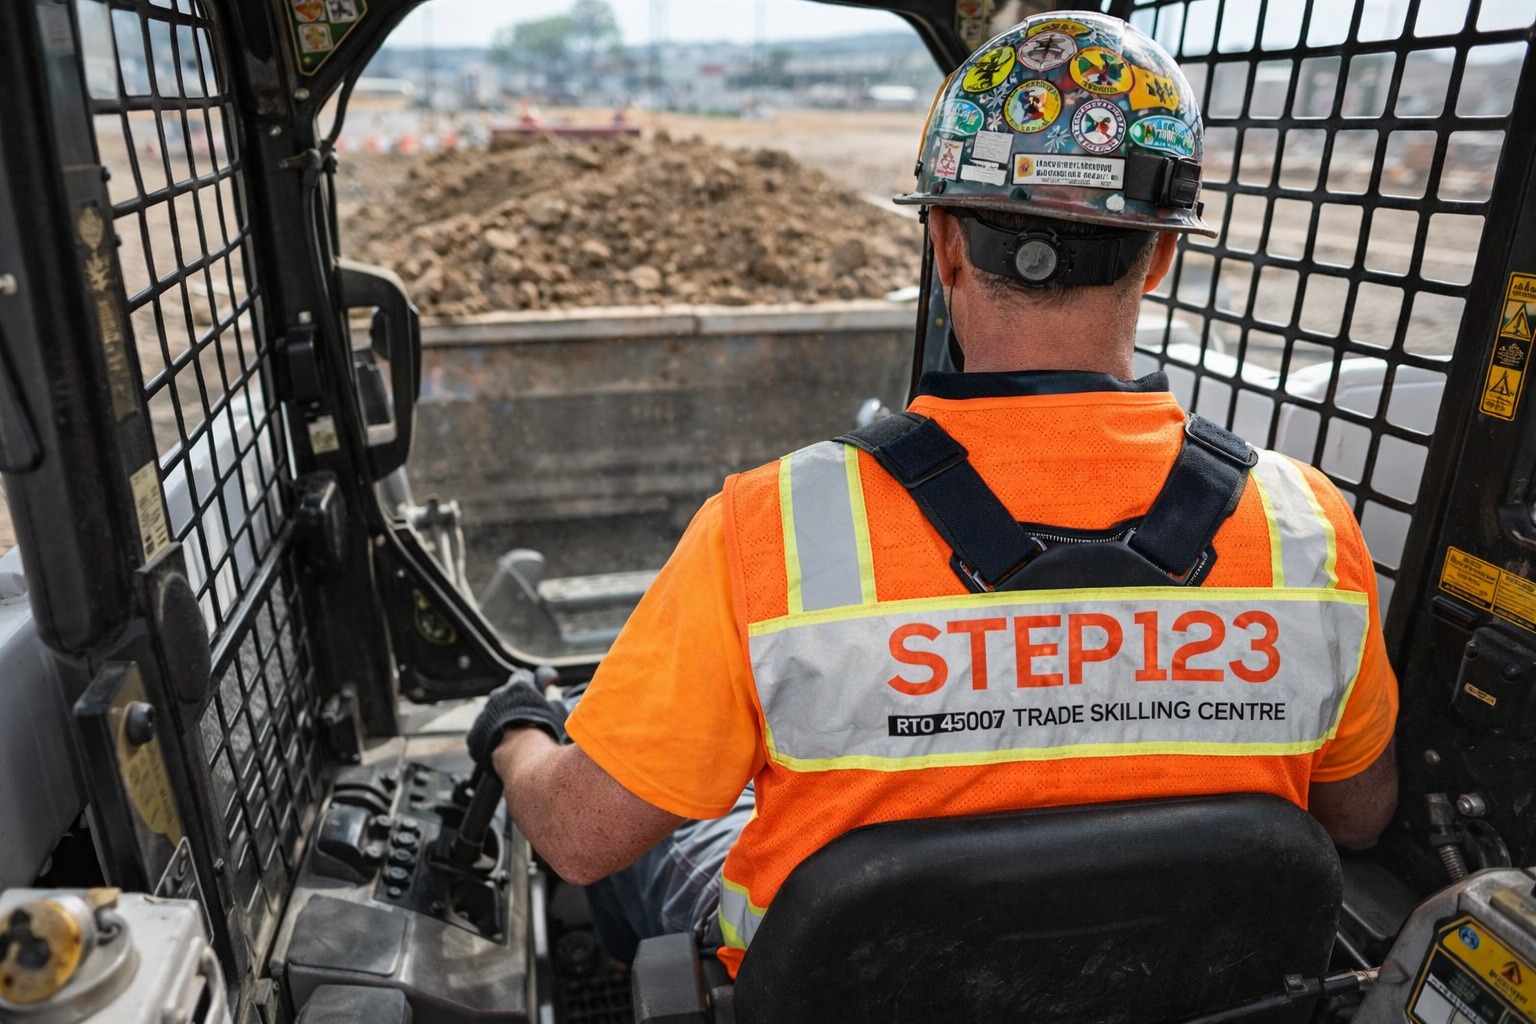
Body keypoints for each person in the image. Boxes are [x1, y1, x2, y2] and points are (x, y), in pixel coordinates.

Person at [467, 11, 1399, 980]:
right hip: (1186, 990)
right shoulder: (1310, 528)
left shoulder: (771, 530)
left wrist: (516, 734)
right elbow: (1360, 813)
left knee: (664, 836)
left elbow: (580, 835)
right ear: (1161, 254)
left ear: (946, 242)